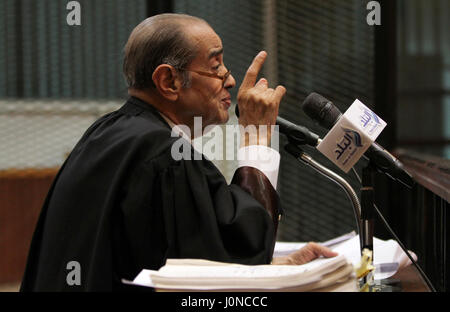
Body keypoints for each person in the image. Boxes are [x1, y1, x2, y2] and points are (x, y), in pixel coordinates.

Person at [20, 13, 337, 292]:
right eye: (216, 66)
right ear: (168, 80)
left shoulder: (109, 133)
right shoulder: (162, 154)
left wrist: (279, 269)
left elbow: (175, 262)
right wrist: (255, 137)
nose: (230, 80)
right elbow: (239, 250)